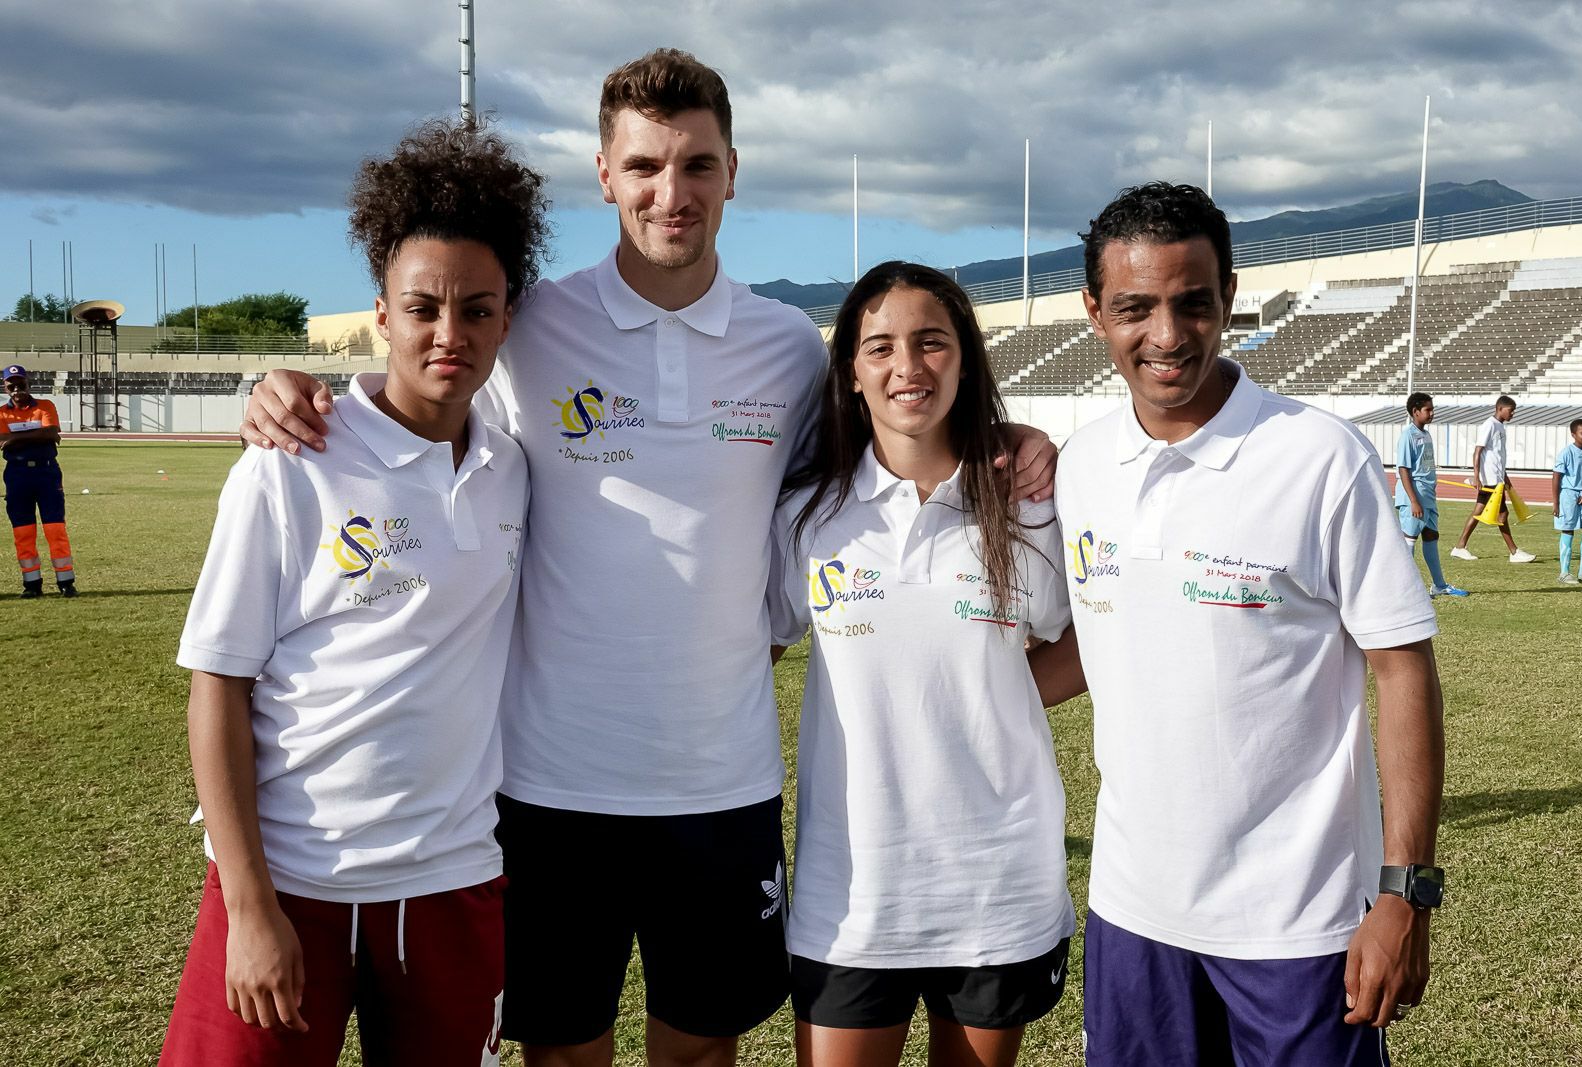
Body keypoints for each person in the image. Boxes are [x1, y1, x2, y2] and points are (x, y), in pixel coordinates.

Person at [240, 49, 1058, 1067]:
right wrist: (282, 381)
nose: (671, 193)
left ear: (730, 171)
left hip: (721, 783)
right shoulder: (532, 322)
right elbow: (421, 371)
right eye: (644, 167)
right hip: (545, 784)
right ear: (604, 174)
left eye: (697, 166)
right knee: (563, 1053)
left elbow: (887, 452)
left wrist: (1013, 437)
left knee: (697, 1054)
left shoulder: (787, 348)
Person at [159, 118, 543, 1066]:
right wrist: (250, 906)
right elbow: (218, 681)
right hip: (290, 881)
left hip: (454, 883)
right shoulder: (295, 459)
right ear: (381, 311)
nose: (448, 334)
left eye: (478, 310)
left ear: (509, 316)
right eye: (423, 308)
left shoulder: (514, 470)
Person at [1034, 182, 1446, 1064]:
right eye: (1135, 307)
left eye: (1193, 302)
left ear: (1228, 294)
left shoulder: (1318, 458)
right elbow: (1099, 643)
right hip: (1132, 911)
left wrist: (1404, 892)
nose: (1168, 334)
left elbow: (1402, 668)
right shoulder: (1083, 468)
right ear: (1094, 312)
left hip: (1298, 923)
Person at [769, 262, 1074, 1067]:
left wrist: (990, 698)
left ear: (966, 359)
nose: (909, 367)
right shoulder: (806, 514)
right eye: (882, 347)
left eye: (932, 342)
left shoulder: (1025, 498)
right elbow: (747, 648)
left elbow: (1084, 637)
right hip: (853, 892)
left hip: (995, 882)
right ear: (853, 373)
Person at [0, 364, 76, 598]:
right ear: (5, 386)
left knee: (55, 529)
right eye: (11, 385)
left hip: (47, 473)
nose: (16, 388)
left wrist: (15, 439)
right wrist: (35, 435)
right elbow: (2, 440)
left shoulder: (45, 406)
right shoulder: (2, 413)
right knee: (23, 531)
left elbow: (51, 433)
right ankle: (31, 584)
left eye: (20, 383)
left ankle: (66, 582)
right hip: (17, 474)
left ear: (28, 383)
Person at [1395, 391, 1468, 597]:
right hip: (1414, 496)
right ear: (1415, 412)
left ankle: (1439, 585)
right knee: (1409, 539)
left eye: (1432, 409)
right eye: (1427, 409)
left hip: (1427, 495)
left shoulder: (1425, 434)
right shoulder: (1407, 436)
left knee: (1431, 536)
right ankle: (1405, 591)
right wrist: (1413, 501)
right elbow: (1403, 469)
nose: (1432, 413)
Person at [1452, 394, 1536, 563]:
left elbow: (1498, 456)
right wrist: (1476, 477)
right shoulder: (1489, 425)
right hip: (1489, 480)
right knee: (1502, 513)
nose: (1513, 414)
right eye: (1510, 411)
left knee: (1481, 511)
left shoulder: (1500, 427)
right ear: (1500, 409)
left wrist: (1505, 477)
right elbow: (1478, 451)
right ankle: (1513, 552)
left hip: (1496, 479)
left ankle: (1460, 547)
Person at [1552, 418, 1582, 585]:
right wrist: (1556, 503)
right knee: (1568, 531)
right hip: (1568, 496)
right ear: (1573, 434)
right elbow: (1556, 477)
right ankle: (1564, 573)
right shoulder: (1566, 453)